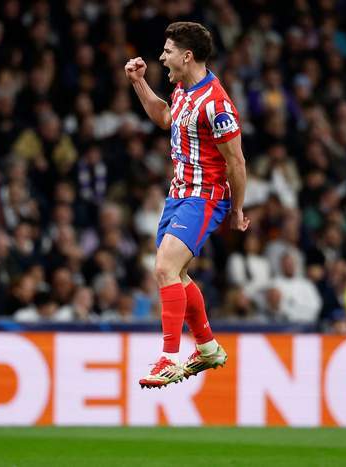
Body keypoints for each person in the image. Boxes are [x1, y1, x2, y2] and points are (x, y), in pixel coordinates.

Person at [125, 22, 249, 388]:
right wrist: (139, 83)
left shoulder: (217, 104)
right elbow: (165, 118)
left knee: (164, 268)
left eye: (167, 51)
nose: (162, 57)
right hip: (178, 195)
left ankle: (169, 357)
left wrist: (237, 209)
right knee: (176, 275)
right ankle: (207, 346)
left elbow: (236, 162)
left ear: (187, 55)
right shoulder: (182, 89)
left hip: (204, 197)